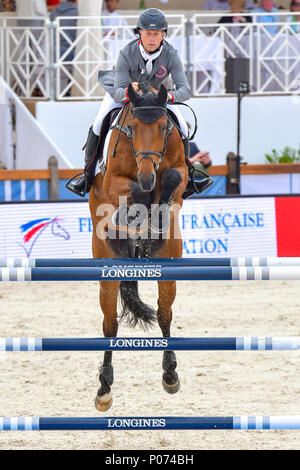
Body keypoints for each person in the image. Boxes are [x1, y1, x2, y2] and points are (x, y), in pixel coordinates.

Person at [68, 8, 191, 197]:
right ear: (140, 33)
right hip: (126, 94)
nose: (151, 38)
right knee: (98, 123)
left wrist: (168, 96)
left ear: (163, 35)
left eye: (156, 34)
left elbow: (185, 90)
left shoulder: (171, 54)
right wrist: (130, 90)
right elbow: (117, 92)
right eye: (148, 33)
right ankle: (88, 175)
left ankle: (190, 175)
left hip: (157, 98)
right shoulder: (126, 52)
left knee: (182, 126)